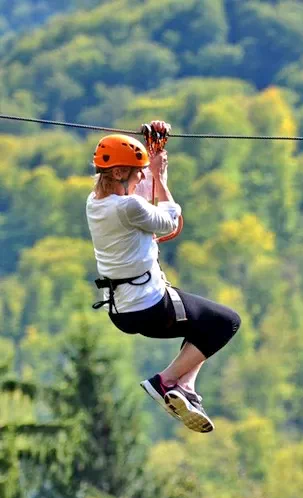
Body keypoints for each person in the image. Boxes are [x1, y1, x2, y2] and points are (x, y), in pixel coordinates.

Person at [85, 121, 241, 433]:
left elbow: (138, 201)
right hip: (151, 306)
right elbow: (169, 221)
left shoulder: (96, 203)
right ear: (118, 173)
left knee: (201, 324)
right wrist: (159, 176)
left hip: (123, 311)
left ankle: (185, 389)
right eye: (137, 170)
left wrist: (152, 151)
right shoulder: (127, 207)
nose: (142, 176)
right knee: (226, 322)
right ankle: (166, 381)